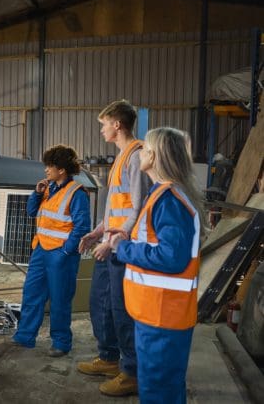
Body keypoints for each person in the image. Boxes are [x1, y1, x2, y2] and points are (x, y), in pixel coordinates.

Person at [107, 127, 206, 403]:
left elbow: (171, 257)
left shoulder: (169, 200)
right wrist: (126, 237)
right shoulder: (161, 196)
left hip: (163, 316)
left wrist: (122, 248)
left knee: (158, 390)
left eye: (145, 149)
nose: (140, 153)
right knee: (159, 386)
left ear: (153, 156)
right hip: (155, 312)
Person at [77, 100, 151, 396]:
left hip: (123, 248)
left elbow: (138, 208)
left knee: (122, 310)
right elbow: (116, 207)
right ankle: (109, 358)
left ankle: (131, 372)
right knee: (101, 303)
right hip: (110, 244)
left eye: (104, 124)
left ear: (117, 124)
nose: (102, 130)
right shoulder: (121, 156)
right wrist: (98, 232)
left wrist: (111, 242)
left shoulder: (136, 156)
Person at [11, 145, 91, 356]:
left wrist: (65, 252)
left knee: (60, 299)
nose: (46, 170)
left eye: (50, 166)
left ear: (61, 169)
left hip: (61, 255)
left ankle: (61, 343)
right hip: (41, 250)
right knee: (31, 294)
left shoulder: (77, 193)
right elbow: (31, 212)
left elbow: (82, 227)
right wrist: (36, 193)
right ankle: (25, 336)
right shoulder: (47, 189)